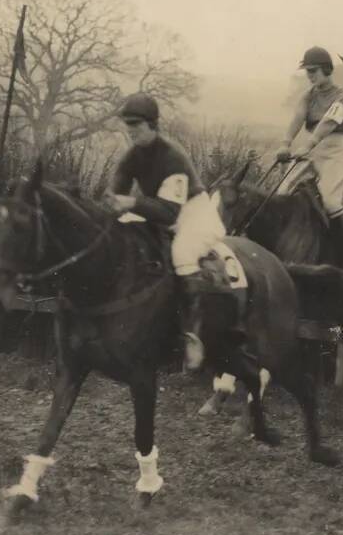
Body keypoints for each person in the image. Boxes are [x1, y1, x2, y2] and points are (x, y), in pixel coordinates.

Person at [104, 92, 245, 364]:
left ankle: (193, 333)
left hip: (193, 213)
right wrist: (112, 203)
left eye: (136, 125)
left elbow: (169, 212)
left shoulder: (172, 157)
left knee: (181, 253)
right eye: (128, 124)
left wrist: (131, 202)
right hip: (160, 210)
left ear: (153, 124)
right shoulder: (132, 156)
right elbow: (115, 194)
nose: (130, 130)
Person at [276, 46, 343, 281]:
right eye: (307, 71)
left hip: (337, 152)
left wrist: (307, 145)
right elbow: (297, 118)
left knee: (331, 201)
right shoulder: (309, 94)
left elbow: (327, 124)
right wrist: (285, 143)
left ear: (326, 69)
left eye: (313, 71)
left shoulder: (342, 95)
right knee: (283, 191)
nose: (309, 75)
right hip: (313, 151)